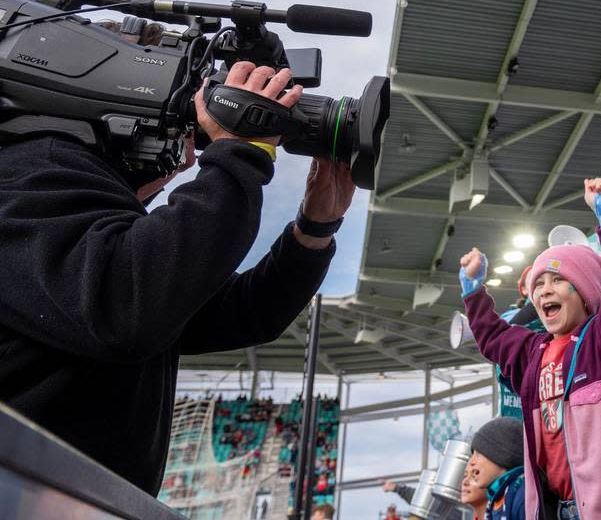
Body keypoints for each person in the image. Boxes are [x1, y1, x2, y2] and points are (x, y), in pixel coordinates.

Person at [0, 60, 355, 494]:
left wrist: (314, 228)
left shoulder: (81, 211)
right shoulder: (28, 168)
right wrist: (242, 152)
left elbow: (245, 313)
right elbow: (126, 306)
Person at [459, 177, 601, 519]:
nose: (544, 291)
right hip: (555, 508)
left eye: (558, 280)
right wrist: (473, 294)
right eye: (538, 284)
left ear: (586, 293)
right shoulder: (532, 352)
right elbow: (494, 338)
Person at [466, 417, 525, 520]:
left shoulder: (523, 497)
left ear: (503, 455)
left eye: (479, 453)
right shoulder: (497, 500)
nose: (471, 462)